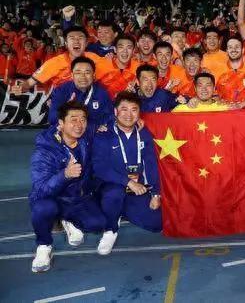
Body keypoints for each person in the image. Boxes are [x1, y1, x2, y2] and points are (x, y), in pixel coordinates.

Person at [30, 101, 107, 273]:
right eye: (73, 119)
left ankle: (66, 220)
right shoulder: (44, 151)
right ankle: (44, 246)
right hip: (52, 198)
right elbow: (40, 189)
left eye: (83, 119)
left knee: (98, 224)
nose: (79, 124)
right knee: (43, 209)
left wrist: (137, 120)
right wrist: (64, 175)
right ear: (61, 123)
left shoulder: (85, 137)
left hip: (76, 198)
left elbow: (108, 120)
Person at [92, 92, 162, 255]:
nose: (129, 115)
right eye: (124, 109)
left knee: (156, 224)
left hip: (137, 188)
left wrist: (156, 193)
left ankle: (119, 210)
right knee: (114, 195)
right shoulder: (104, 134)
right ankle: (110, 229)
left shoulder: (144, 134)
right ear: (115, 112)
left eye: (134, 110)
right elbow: (100, 167)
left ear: (139, 113)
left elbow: (151, 164)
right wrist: (128, 182)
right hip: (112, 186)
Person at [17, 26, 100, 92]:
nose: (76, 41)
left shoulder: (96, 60)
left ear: (86, 43)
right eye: (72, 38)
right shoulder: (54, 63)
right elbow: (29, 82)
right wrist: (20, 88)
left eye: (80, 38)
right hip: (62, 105)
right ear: (66, 43)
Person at [48, 56, 113, 128]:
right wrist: (66, 109)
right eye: (78, 73)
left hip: (92, 133)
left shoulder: (102, 93)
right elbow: (52, 119)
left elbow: (109, 117)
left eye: (87, 72)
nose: (83, 76)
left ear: (93, 75)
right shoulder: (62, 91)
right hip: (68, 131)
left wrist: (94, 127)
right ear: (72, 75)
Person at [214, 36, 245, 108]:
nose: (233, 50)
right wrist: (223, 104)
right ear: (227, 51)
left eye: (237, 47)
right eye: (230, 47)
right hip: (225, 111)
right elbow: (213, 94)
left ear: (243, 50)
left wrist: (240, 105)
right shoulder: (218, 70)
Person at [94, 34, 140, 99]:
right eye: (121, 47)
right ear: (115, 49)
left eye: (129, 47)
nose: (125, 51)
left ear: (133, 51)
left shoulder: (138, 68)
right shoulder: (101, 65)